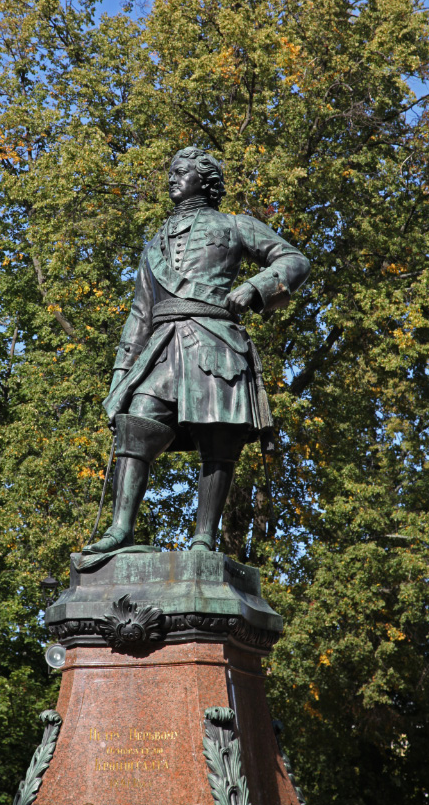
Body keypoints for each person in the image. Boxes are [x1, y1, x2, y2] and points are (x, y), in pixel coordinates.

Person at [84, 147, 310, 555]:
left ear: (204, 180)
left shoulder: (235, 225)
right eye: (170, 171)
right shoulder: (153, 246)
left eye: (180, 171)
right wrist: (120, 376)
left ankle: (204, 537)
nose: (171, 178)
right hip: (163, 345)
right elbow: (139, 314)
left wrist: (255, 287)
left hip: (215, 344)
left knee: (219, 439)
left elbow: (294, 260)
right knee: (137, 420)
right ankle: (121, 529)